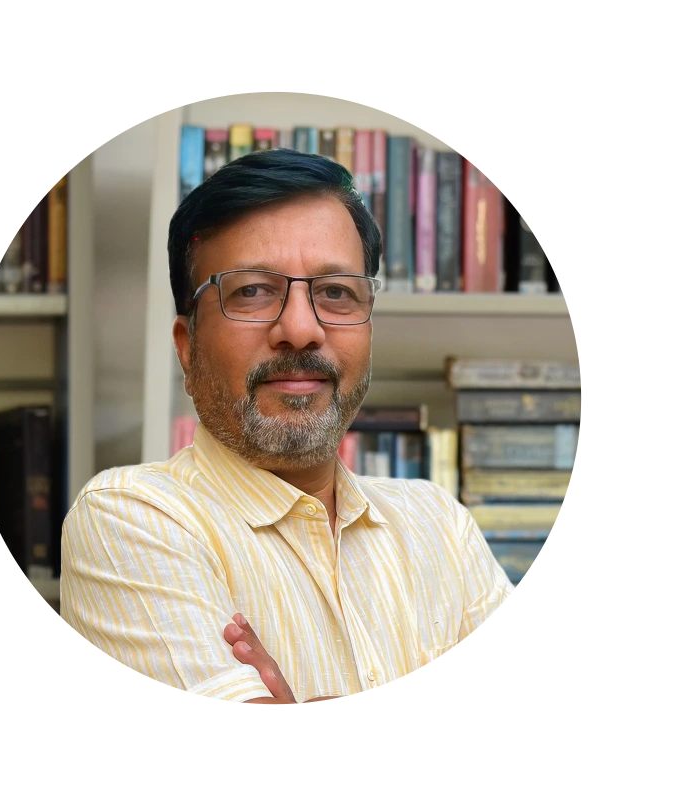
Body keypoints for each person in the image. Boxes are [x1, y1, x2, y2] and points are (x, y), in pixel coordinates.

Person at [60, 148, 514, 705]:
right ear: (187, 347)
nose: (300, 329)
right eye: (252, 291)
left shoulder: (439, 525)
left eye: (336, 293)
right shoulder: (128, 518)